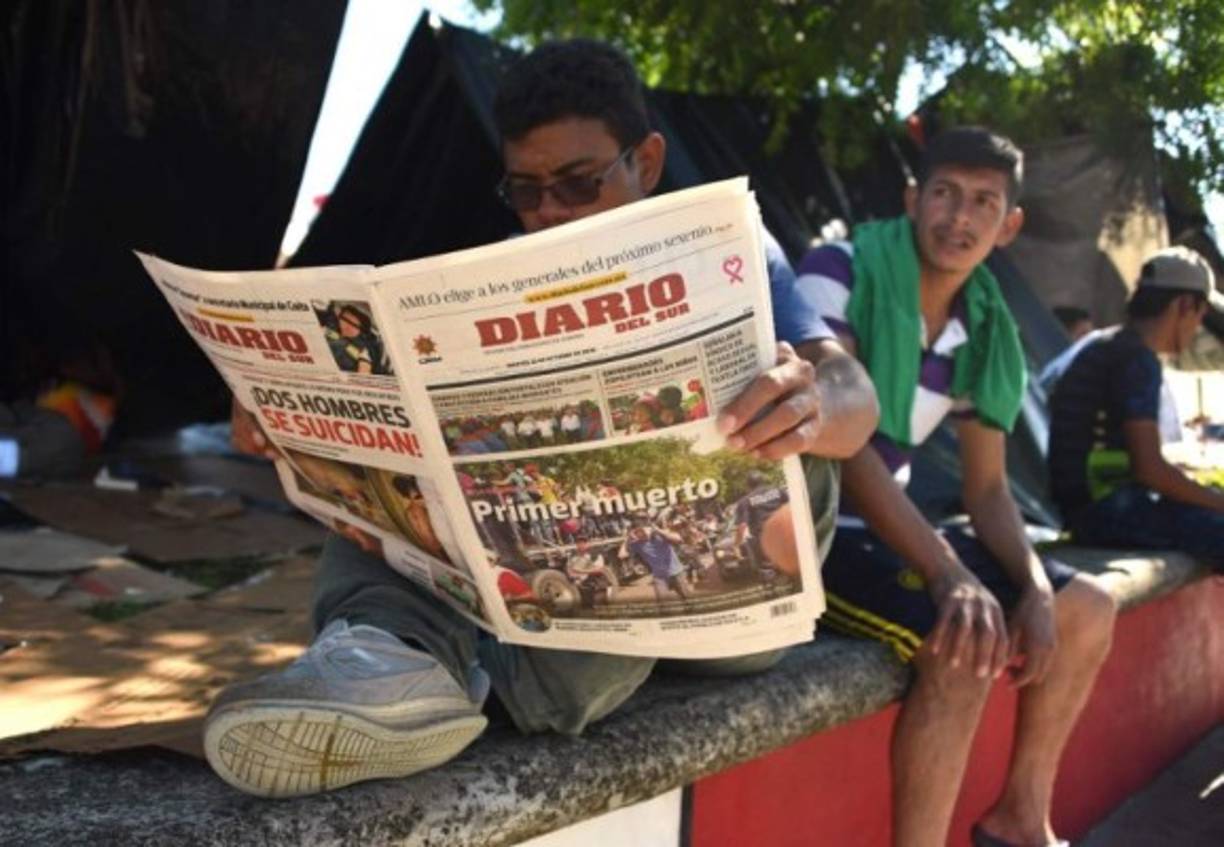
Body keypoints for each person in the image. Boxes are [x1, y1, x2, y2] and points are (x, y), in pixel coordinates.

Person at [208, 38, 877, 799]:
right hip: (554, 585)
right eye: (526, 191)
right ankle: (386, 657)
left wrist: (813, 403)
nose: (551, 210)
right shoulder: (501, 272)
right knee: (396, 489)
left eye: (579, 182)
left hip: (727, 608)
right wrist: (298, 419)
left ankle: (462, 680)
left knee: (792, 448)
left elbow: (854, 390)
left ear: (647, 162)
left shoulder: (729, 248)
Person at [783, 126, 1117, 847]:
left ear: (1010, 225)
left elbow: (990, 488)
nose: (959, 218)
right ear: (913, 198)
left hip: (888, 522)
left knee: (1086, 605)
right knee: (963, 638)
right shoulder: (839, 271)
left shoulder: (985, 322)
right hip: (811, 524)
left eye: (984, 203)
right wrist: (947, 571)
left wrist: (1031, 584)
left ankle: (1020, 818)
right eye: (944, 193)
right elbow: (843, 450)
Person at [1047, 246, 1224, 567]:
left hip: (1083, 509)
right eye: (1199, 315)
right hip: (1109, 511)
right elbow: (1150, 469)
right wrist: (1216, 501)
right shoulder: (1136, 359)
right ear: (1184, 305)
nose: (1198, 326)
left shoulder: (1107, 345)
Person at [619, 513, 691, 602]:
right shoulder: (637, 544)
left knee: (687, 599)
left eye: (643, 529)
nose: (641, 533)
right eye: (637, 531)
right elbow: (621, 555)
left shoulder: (659, 536)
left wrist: (658, 530)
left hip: (676, 572)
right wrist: (627, 540)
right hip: (659, 577)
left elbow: (679, 539)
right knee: (664, 603)